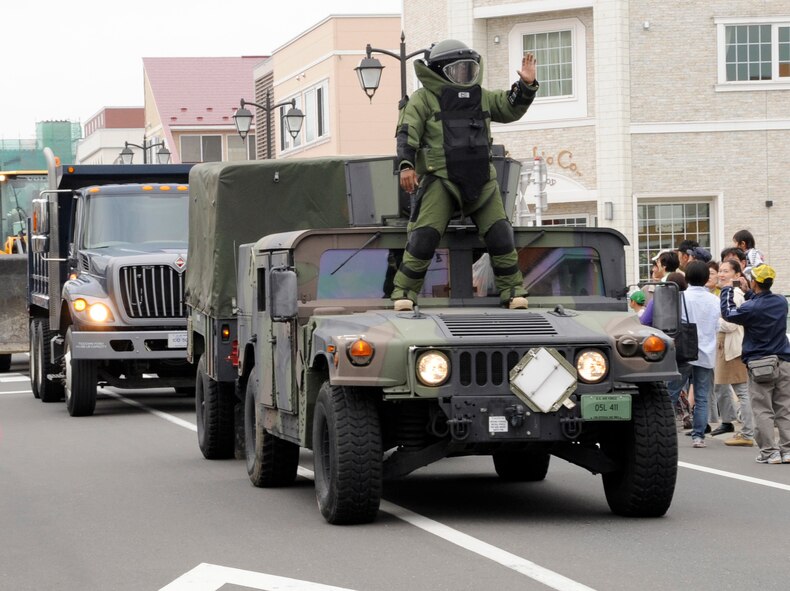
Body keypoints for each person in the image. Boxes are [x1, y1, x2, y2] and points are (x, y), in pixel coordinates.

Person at [392, 40, 539, 311]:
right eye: (457, 69)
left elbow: (509, 108)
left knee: (500, 233)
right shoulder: (423, 99)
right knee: (424, 236)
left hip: (482, 179)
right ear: (438, 71)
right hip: (440, 179)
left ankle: (513, 290)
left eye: (468, 69)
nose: (464, 75)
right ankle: (404, 292)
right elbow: (406, 133)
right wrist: (405, 165)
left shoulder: (481, 96)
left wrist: (526, 87)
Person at [720, 264, 790, 464]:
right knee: (784, 409)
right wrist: (749, 291)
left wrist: (727, 290)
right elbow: (760, 303)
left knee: (763, 410)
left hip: (760, 364)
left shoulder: (750, 308)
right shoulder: (781, 302)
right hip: (784, 361)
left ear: (754, 282)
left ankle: (769, 452)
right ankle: (787, 450)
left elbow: (728, 313)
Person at [666, 261, 721, 448]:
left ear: (686, 277)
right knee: (702, 395)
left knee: (670, 392)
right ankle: (699, 437)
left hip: (683, 352)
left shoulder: (680, 298)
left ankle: (664, 430)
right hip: (706, 352)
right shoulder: (714, 300)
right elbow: (717, 327)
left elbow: (673, 325)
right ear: (706, 278)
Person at [712, 259, 755, 446]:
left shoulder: (734, 293)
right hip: (729, 348)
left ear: (737, 275)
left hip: (734, 349)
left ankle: (747, 432)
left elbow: (731, 323)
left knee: (742, 390)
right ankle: (737, 426)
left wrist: (713, 321)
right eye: (720, 271)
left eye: (726, 271)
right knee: (731, 389)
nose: (721, 274)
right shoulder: (729, 292)